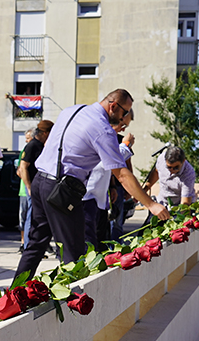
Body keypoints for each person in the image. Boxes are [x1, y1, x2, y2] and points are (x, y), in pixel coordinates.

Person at [16, 90, 169, 278]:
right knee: (75, 254)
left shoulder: (71, 111)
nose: (122, 121)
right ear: (113, 106)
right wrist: (151, 204)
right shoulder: (102, 129)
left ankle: (15, 296)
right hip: (63, 189)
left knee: (36, 244)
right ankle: (76, 301)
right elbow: (122, 174)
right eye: (123, 115)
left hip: (41, 181)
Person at [83, 111, 132, 250]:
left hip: (101, 198)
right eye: (122, 125)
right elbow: (108, 162)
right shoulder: (100, 136)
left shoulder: (111, 137)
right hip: (88, 197)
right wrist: (125, 145)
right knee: (90, 242)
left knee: (101, 238)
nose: (123, 129)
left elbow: (110, 170)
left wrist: (112, 187)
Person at [16, 120, 52, 250]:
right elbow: (22, 168)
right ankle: (27, 246)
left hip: (41, 188)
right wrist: (29, 187)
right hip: (33, 189)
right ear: (44, 133)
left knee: (39, 218)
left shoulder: (42, 146)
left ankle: (37, 245)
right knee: (31, 218)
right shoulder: (32, 145)